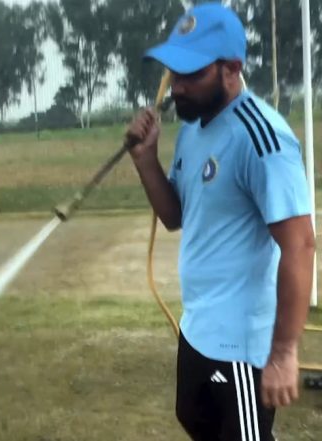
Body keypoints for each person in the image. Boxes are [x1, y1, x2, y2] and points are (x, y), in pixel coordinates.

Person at [126, 3, 316, 440]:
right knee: (194, 420)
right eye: (175, 72)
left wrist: (284, 353)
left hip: (241, 347)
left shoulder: (261, 137)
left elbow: (301, 244)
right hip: (198, 330)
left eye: (192, 74)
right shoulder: (194, 129)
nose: (177, 87)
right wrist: (146, 161)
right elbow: (175, 217)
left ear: (231, 69)